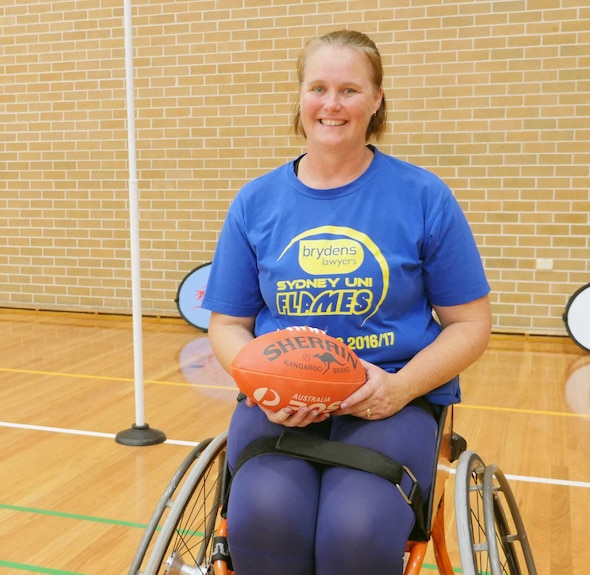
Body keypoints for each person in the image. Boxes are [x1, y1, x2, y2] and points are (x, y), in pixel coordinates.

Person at [201, 29, 492, 575]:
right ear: (301, 97)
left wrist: (398, 388)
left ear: (377, 99)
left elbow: (471, 324)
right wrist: (260, 385)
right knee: (265, 519)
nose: (331, 105)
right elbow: (227, 323)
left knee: (354, 532)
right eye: (318, 88)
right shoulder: (255, 202)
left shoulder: (424, 196)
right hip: (281, 403)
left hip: (390, 397)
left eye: (350, 90)